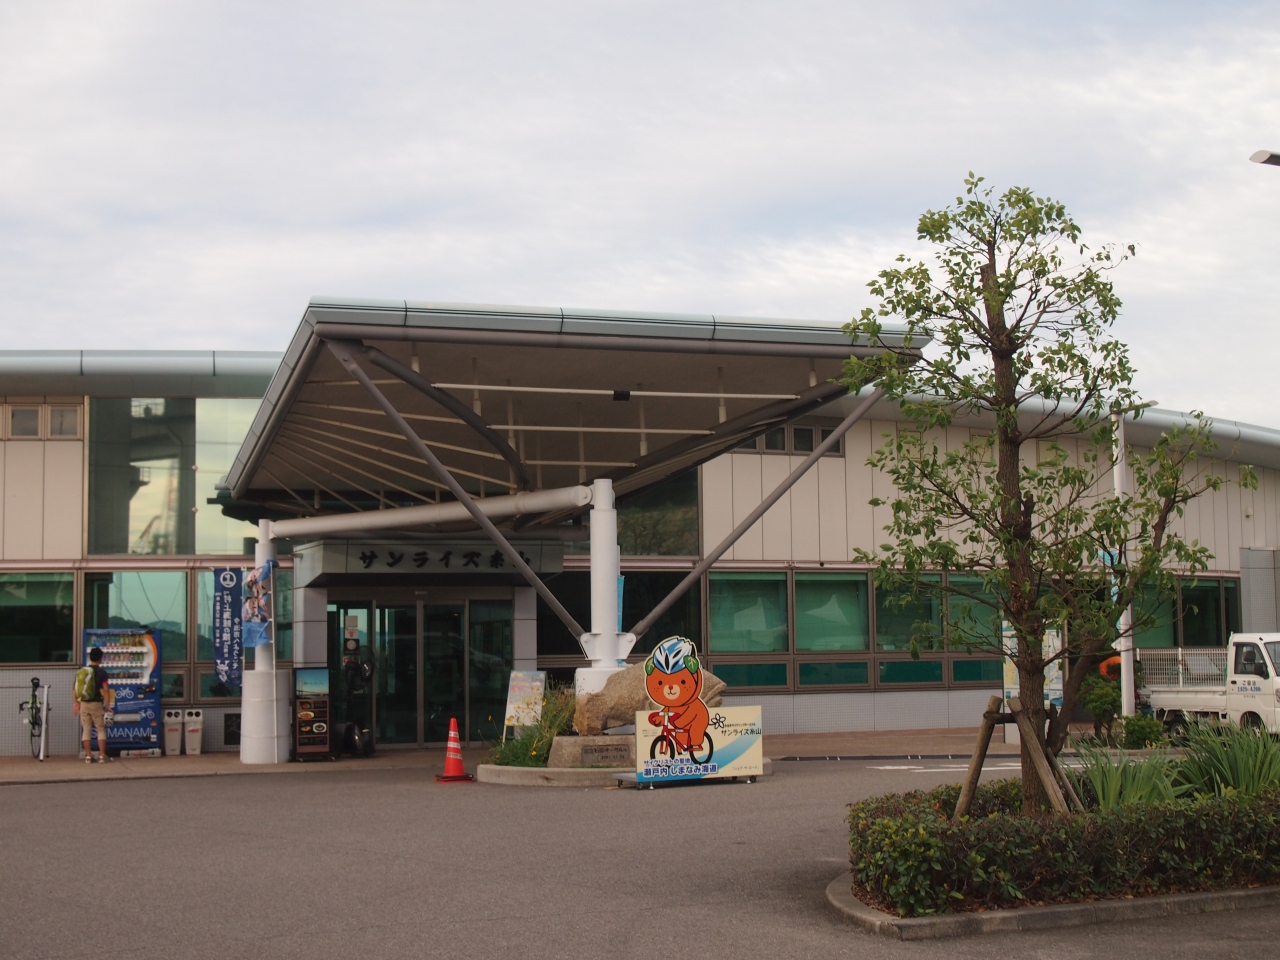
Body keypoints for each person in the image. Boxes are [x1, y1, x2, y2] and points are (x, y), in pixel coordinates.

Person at [74, 647, 113, 763]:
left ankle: (88, 756)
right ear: (101, 658)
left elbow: (74, 689)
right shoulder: (102, 672)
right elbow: (106, 690)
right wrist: (107, 706)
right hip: (96, 703)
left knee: (86, 729)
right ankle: (102, 755)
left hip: (84, 703)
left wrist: (76, 703)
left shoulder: (82, 671)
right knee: (100, 729)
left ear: (90, 657)